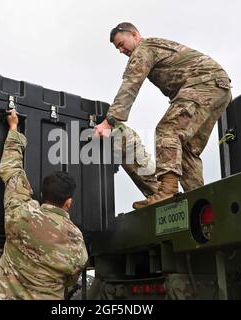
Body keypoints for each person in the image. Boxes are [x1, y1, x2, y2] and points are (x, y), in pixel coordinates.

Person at [94, 22, 232, 209]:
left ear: (134, 35)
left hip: (204, 84)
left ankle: (167, 191)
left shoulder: (144, 49)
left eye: (121, 43)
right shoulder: (153, 47)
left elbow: (130, 85)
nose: (121, 50)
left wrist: (109, 122)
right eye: (117, 47)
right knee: (187, 149)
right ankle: (199, 202)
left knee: (167, 130)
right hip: (219, 89)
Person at [0, 109, 88, 300]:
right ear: (68, 202)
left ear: (41, 194)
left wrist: (14, 127)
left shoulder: (21, 213)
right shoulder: (77, 240)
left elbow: (11, 169)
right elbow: (71, 278)